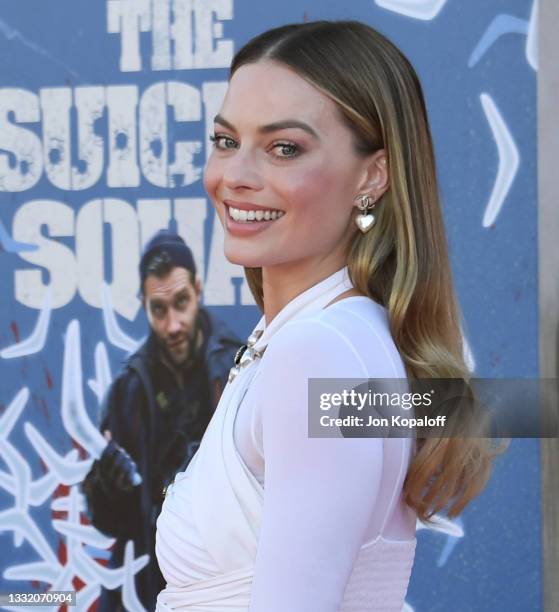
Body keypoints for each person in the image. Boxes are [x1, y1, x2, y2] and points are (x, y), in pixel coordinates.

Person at [154, 21, 496, 611]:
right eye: (226, 140)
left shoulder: (317, 352)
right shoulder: (327, 337)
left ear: (371, 176)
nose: (234, 176)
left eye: (284, 148)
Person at [82, 230, 241, 611]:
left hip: (222, 582)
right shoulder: (129, 390)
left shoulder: (239, 368)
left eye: (181, 303)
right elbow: (111, 524)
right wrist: (108, 485)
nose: (172, 324)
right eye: (159, 309)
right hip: (145, 588)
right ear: (143, 305)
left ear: (198, 290)